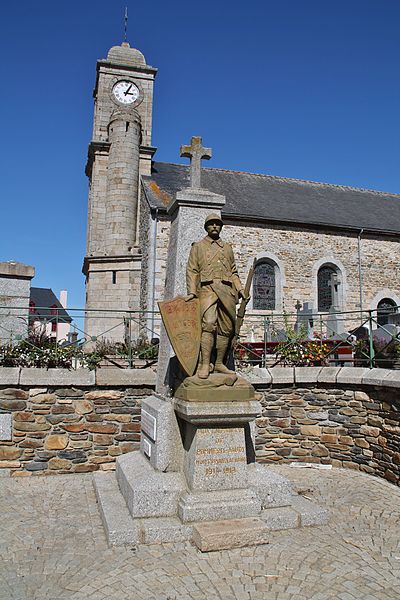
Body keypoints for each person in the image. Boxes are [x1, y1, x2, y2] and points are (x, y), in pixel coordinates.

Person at [186, 213, 247, 379]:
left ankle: (219, 363)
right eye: (211, 224)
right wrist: (192, 292)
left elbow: (233, 271)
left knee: (226, 328)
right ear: (206, 227)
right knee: (209, 324)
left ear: (221, 227)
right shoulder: (198, 247)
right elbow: (192, 270)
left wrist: (240, 288)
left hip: (226, 290)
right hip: (207, 289)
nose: (214, 226)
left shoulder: (227, 248)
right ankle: (205, 364)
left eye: (217, 224)